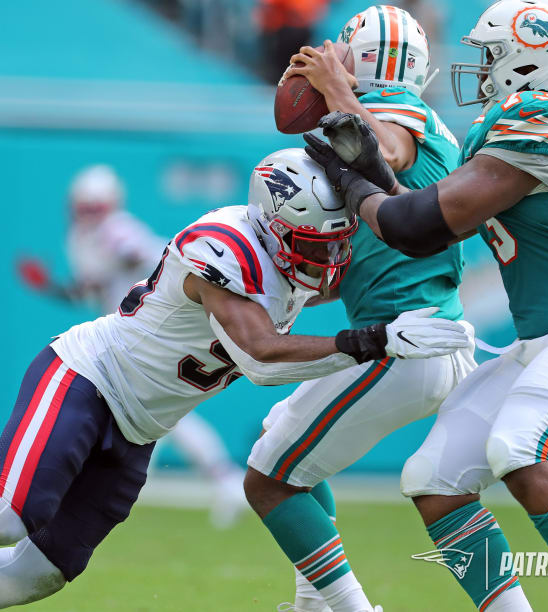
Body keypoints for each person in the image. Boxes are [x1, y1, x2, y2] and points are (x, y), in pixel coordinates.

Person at [0, 148, 469, 608]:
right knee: (9, 518)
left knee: (37, 574)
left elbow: (398, 248)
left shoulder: (295, 249)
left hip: (141, 429)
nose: (327, 257)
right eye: (312, 244)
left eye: (336, 241)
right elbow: (261, 358)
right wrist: (371, 340)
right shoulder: (224, 245)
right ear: (272, 226)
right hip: (87, 381)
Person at [306, 0, 548, 609]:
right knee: (435, 481)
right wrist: (368, 177)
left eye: (491, 53)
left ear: (530, 60)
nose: (479, 65)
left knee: (519, 449)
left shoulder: (543, 115)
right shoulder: (507, 127)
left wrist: (353, 178)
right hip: (543, 341)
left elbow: (415, 227)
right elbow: (419, 218)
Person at [243, 7, 476, 612]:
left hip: (403, 341)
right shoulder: (422, 119)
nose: (330, 58)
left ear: (363, 59)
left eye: (342, 54)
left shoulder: (399, 116)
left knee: (267, 480)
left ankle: (345, 608)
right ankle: (313, 602)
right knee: (283, 445)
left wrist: (334, 87)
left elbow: (387, 149)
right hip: (417, 332)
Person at [17, 164, 248, 530]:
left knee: (162, 418)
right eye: (86, 206)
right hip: (117, 337)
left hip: (146, 334)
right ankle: (217, 480)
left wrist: (115, 265)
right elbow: (87, 290)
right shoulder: (81, 238)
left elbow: (155, 260)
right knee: (157, 419)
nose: (91, 213)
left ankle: (223, 479)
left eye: (96, 205)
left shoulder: (118, 230)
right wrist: (51, 287)